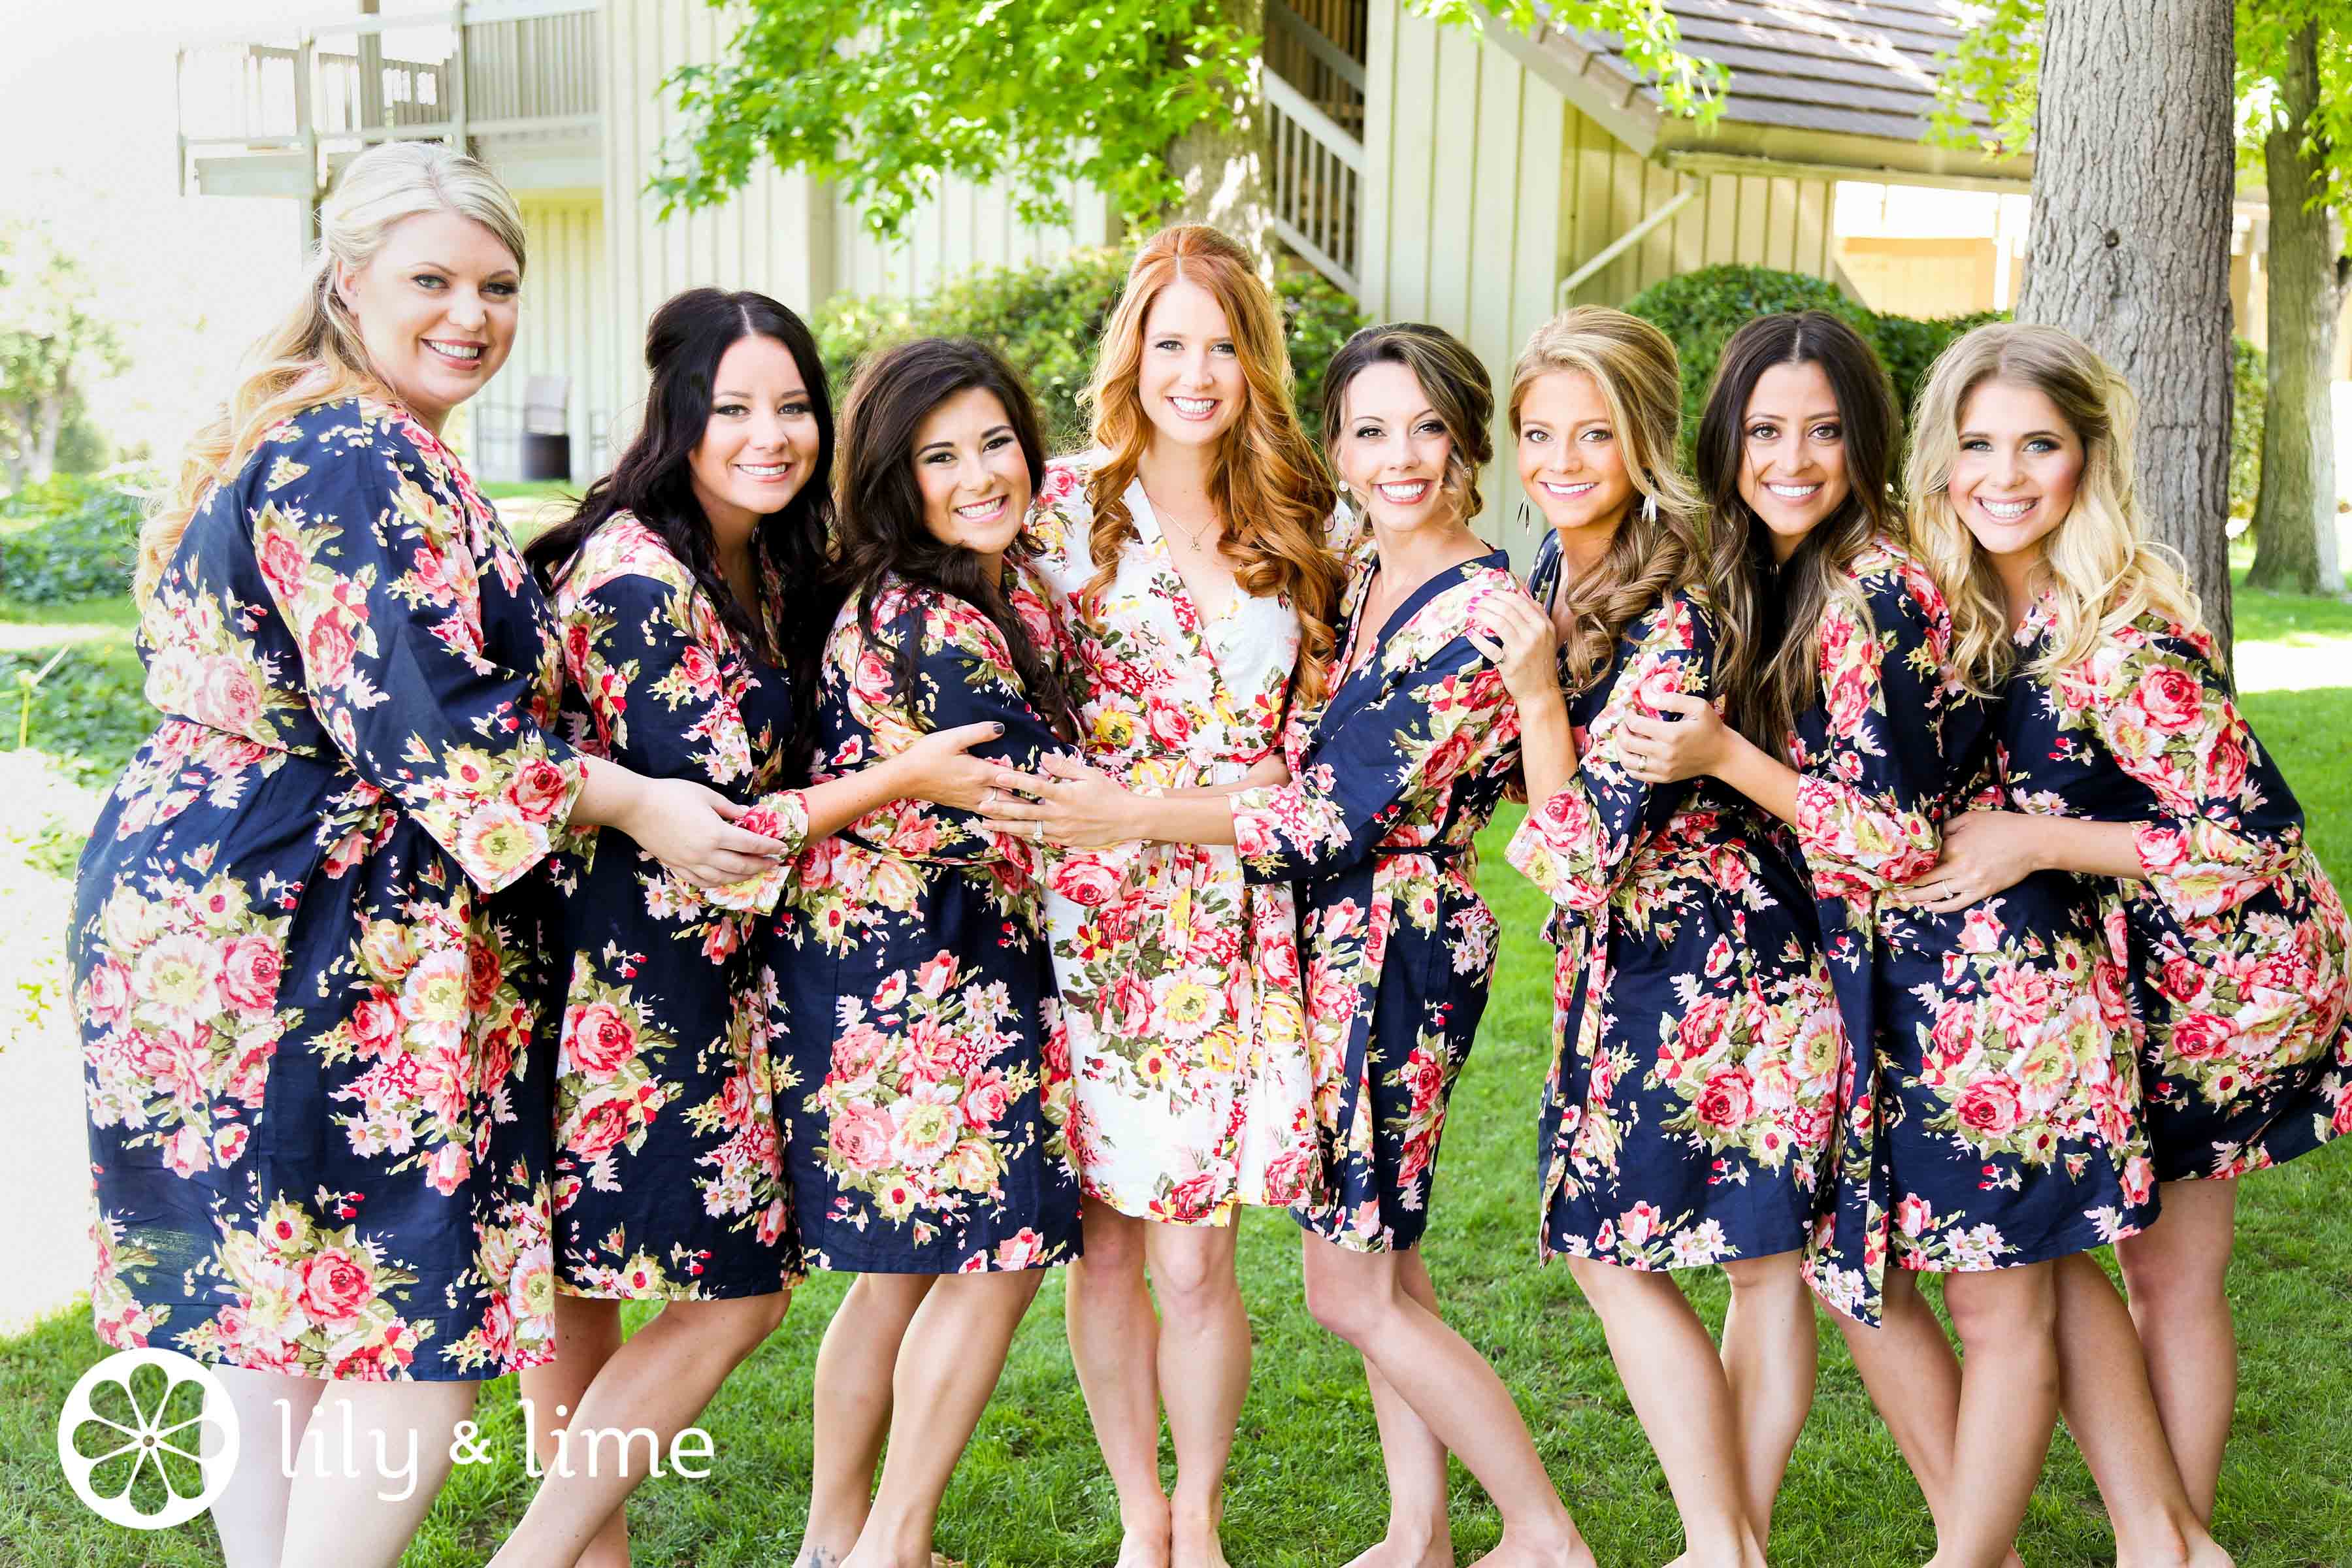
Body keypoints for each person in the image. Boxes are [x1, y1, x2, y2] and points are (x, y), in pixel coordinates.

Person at [71, 142, 786, 1568]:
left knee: (273, 1313)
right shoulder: (352, 451)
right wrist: (637, 798)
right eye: (432, 280)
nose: (472, 311)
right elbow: (438, 729)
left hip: (222, 907)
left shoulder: (341, 434)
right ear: (347, 283)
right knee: (414, 1330)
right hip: (305, 931)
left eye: (498, 284)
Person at [984, 322, 1599, 1568]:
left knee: (1349, 1285)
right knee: (1390, 1260)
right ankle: (1421, 1530)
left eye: (1429, 427)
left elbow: (1323, 811)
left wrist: (1129, 814)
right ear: (1337, 445)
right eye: (1372, 429)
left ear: (1471, 441)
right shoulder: (1361, 567)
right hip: (1324, 938)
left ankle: (1543, 1533)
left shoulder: (1477, 613)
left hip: (1399, 946)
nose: (1402, 455)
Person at [1622, 310, 2159, 1568]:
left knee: (1988, 1295)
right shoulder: (1793, 579)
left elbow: (1887, 838)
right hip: (1903, 984)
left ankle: (1990, 1552)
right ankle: (2105, 1539)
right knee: (1915, 1278)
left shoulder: (1878, 588)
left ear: (1867, 441)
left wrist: (1722, 756)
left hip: (1977, 983)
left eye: (1823, 430)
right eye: (1764, 430)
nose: (1792, 457)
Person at [488, 291, 1000, 1568]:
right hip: (617, 991)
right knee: (737, 1290)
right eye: (734, 410)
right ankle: (536, 1556)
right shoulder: (633, 581)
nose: (772, 436)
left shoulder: (763, 557)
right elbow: (729, 838)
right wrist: (907, 776)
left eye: (794, 409)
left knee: (589, 1298)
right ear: (677, 415)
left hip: (686, 983)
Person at [1900, 319, 2319, 1563]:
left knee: (2169, 1278)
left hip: (2216, 986)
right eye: (1978, 445)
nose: (2005, 475)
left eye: (2039, 445)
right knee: (2084, 1255)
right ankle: (2170, 1533)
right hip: (2102, 986)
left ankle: (2172, 1544)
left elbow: (2252, 835)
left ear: (2088, 458)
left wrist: (2037, 842)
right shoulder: (1976, 608)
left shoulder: (2120, 631)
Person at [1480, 308, 1841, 1567]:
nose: (1563, 460)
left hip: (1721, 960)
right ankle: (1728, 1542)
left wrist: (1533, 693)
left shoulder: (1677, 600)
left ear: (1642, 440)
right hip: (1637, 963)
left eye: (1595, 433)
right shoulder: (1548, 570)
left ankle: (1721, 1544)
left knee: (1717, 1259)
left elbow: (1578, 852)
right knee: (1712, 1259)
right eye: (1537, 433)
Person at [1013, 222, 1346, 1568]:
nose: (1194, 372)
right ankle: (1136, 1515)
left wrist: (1160, 813)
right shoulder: (1057, 511)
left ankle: (1197, 1517)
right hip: (1086, 927)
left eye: (1221, 344)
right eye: (1169, 344)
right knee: (1104, 1248)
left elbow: (1324, 781)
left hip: (1228, 921)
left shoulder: (1306, 528)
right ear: (1130, 355)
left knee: (1197, 1256)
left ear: (1254, 361)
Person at [779, 337, 1086, 1568]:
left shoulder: (939, 589)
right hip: (929, 957)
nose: (977, 474)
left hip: (879, 947)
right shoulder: (935, 619)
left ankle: (832, 1541)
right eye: (939, 455)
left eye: (996, 442)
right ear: (896, 476)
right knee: (997, 1257)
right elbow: (1044, 796)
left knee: (897, 1267)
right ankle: (892, 1546)